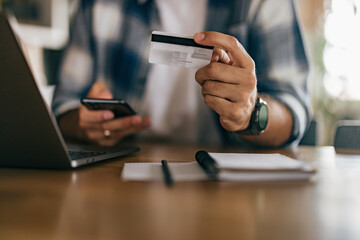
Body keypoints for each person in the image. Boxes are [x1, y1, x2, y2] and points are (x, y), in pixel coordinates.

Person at [52, 0, 310, 147]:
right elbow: (64, 106)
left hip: (232, 175)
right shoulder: (98, 4)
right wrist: (85, 123)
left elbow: (294, 111)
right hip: (122, 172)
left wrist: (251, 112)